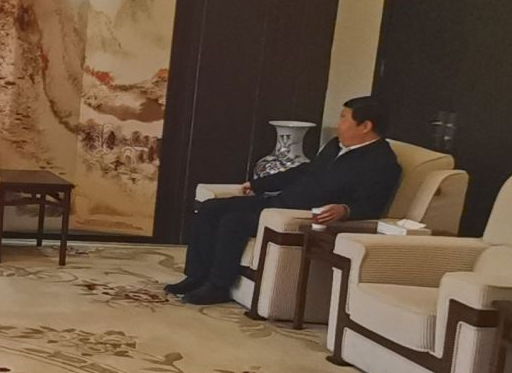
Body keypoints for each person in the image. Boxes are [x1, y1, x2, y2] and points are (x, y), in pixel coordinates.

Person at [170, 96, 403, 304]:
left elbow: (372, 205)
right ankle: (196, 277)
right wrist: (259, 184)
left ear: (365, 126)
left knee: (234, 220)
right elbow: (304, 171)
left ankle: (217, 287)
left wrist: (344, 209)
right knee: (210, 208)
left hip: (299, 215)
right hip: (279, 202)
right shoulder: (335, 146)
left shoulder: (382, 163)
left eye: (343, 118)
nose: (338, 124)